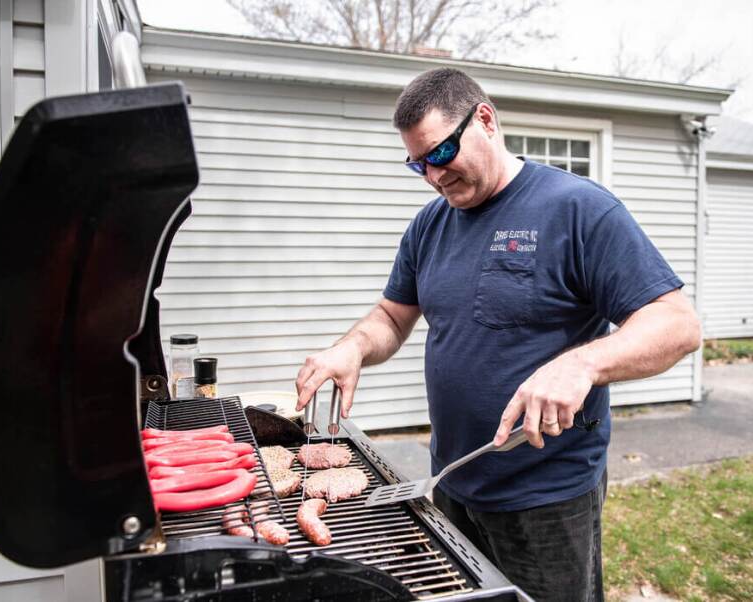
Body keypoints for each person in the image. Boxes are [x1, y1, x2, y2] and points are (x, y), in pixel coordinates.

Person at [295, 67, 701, 601]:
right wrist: (352, 347)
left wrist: (582, 364)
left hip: (545, 497)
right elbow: (393, 318)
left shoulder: (578, 210)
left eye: (440, 154)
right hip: (451, 480)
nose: (433, 177)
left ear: (484, 119)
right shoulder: (429, 225)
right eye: (417, 164)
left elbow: (677, 324)